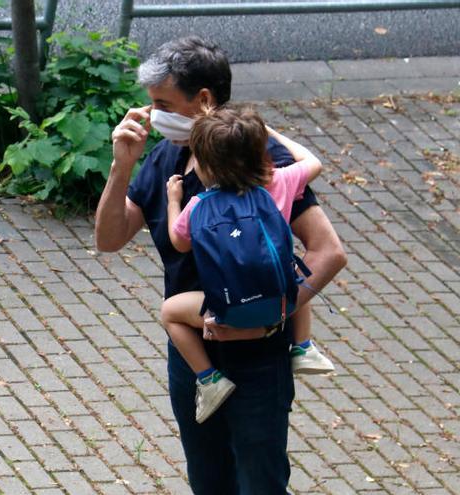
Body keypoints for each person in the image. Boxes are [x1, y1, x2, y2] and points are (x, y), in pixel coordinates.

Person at [95, 36, 347, 494]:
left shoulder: (258, 162)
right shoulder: (164, 159)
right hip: (193, 358)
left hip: (257, 359)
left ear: (204, 101)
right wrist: (121, 167)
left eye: (162, 103)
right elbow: (109, 239)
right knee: (209, 480)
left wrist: (271, 313)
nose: (151, 114)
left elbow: (327, 252)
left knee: (259, 483)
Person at [161, 106, 336, 424]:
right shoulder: (280, 183)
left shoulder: (199, 205)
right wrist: (272, 133)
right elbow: (313, 162)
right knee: (289, 266)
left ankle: (210, 379)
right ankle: (303, 345)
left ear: (205, 166)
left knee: (169, 313)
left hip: (225, 312)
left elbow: (178, 241)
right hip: (279, 304)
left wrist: (174, 200)